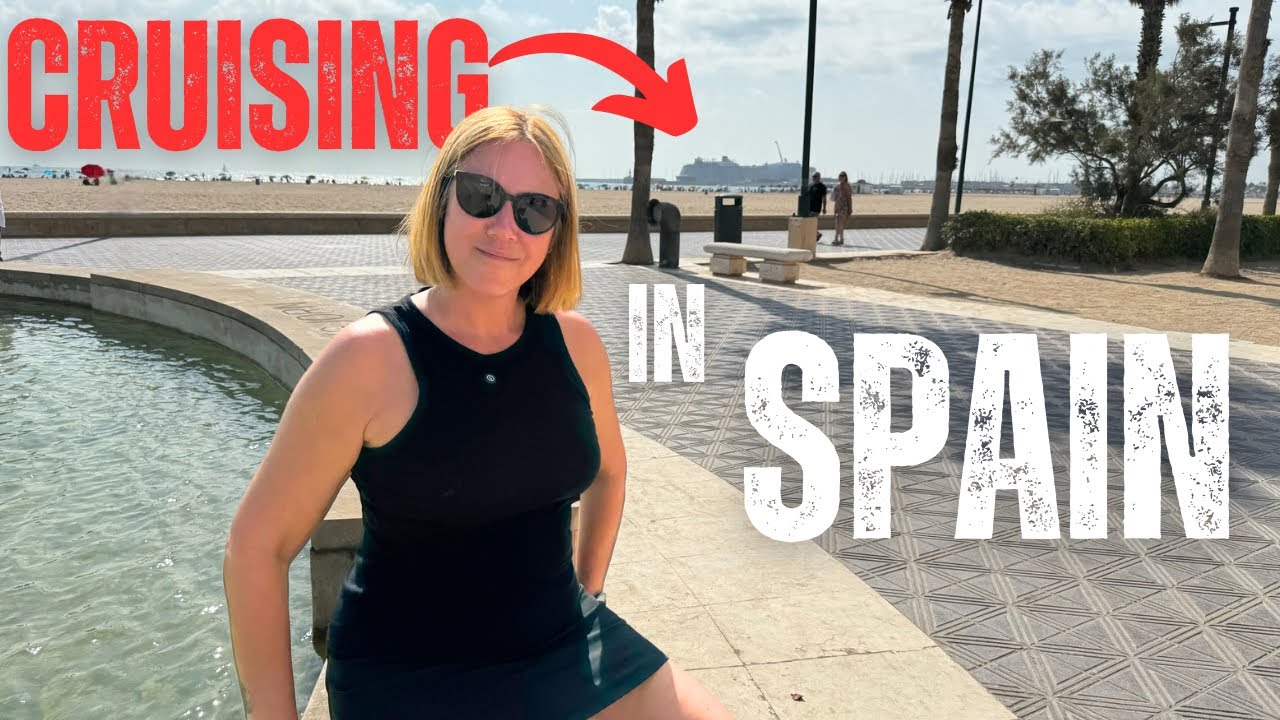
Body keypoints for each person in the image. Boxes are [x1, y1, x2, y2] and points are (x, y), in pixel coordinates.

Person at [223, 105, 733, 720]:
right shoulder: (368, 359)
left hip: (560, 641)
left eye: (534, 208)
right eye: (481, 195)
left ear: (557, 230)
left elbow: (610, 471)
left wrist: (589, 591)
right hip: (412, 673)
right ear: (442, 200)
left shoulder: (576, 346)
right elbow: (257, 546)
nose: (504, 227)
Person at [832, 172, 853, 246]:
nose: (841, 177)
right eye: (840, 176)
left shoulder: (847, 186)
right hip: (838, 206)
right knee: (837, 223)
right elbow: (834, 198)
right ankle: (841, 238)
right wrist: (835, 208)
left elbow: (849, 198)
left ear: (845, 177)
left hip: (844, 207)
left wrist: (850, 209)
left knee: (840, 223)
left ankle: (836, 238)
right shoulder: (837, 186)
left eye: (843, 176)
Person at [807, 171, 827, 242]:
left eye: (815, 176)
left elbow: (824, 198)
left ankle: (816, 235)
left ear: (819, 177)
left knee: (812, 222)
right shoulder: (810, 185)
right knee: (810, 223)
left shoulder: (822, 187)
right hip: (809, 207)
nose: (814, 178)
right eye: (813, 176)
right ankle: (816, 235)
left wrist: (824, 208)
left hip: (816, 208)